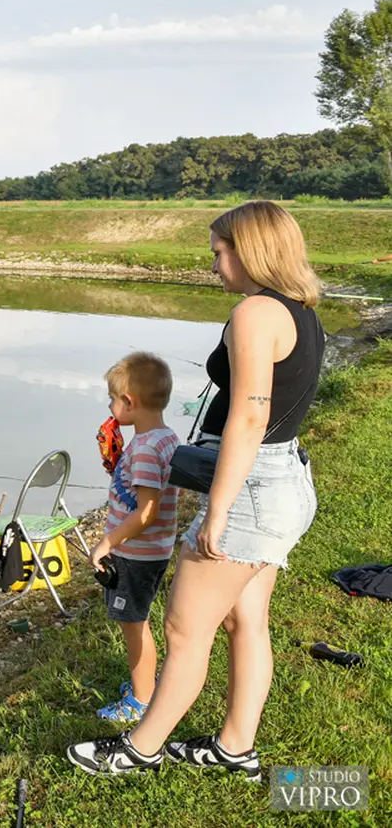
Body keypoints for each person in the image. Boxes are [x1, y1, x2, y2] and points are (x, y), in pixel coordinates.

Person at [68, 201, 325, 780]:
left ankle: (139, 749)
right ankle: (235, 747)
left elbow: (250, 418)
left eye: (218, 252)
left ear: (249, 249)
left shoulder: (256, 313)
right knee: (245, 622)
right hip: (286, 480)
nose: (214, 266)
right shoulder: (302, 310)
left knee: (186, 629)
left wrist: (220, 511)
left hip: (253, 489)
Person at [90, 352, 180, 723]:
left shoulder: (143, 449)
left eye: (113, 400)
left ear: (129, 402)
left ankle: (142, 700)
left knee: (134, 625)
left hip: (136, 554)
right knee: (136, 621)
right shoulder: (165, 438)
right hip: (154, 550)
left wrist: (107, 542)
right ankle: (143, 685)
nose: (110, 407)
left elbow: (147, 511)